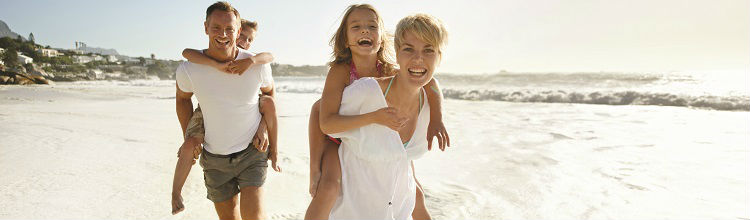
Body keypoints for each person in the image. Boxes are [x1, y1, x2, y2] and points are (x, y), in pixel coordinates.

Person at [305, 4, 450, 220]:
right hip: (338, 140)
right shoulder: (342, 71)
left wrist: (436, 119)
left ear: (382, 37)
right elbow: (320, 114)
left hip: (381, 137)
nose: (365, 31)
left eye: (372, 26)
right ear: (345, 39)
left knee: (416, 193)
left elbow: (430, 84)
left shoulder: (391, 70)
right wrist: (314, 168)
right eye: (356, 27)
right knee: (328, 189)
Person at [173, 2, 279, 219]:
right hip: (215, 160)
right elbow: (182, 99)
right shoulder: (190, 69)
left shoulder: (256, 65)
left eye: (230, 28)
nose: (223, 34)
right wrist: (190, 137)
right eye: (216, 28)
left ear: (238, 31)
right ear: (205, 28)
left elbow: (270, 97)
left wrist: (264, 129)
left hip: (252, 153)